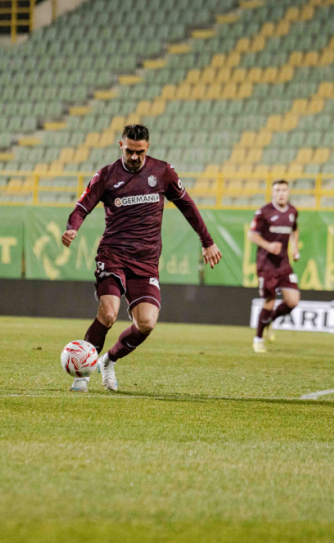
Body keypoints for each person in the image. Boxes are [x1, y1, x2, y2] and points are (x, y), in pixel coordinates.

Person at [61, 124, 222, 392]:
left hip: (146, 261)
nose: (135, 157)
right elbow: (82, 206)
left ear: (147, 148)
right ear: (121, 146)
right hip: (113, 254)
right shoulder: (106, 175)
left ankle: (108, 360)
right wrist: (72, 227)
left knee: (146, 323)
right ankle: (82, 375)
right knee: (108, 313)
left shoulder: (163, 172)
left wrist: (207, 241)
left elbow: (187, 205)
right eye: (130, 151)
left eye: (140, 152)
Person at [248, 180, 300, 353]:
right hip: (266, 265)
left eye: (284, 190)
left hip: (284, 264)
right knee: (269, 302)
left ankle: (270, 320)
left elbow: (294, 229)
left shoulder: (292, 211)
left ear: (288, 192)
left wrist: (295, 248)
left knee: (293, 301)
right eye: (277, 190)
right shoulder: (264, 212)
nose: (281, 193)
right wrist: (268, 246)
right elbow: (252, 235)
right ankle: (258, 339)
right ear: (272, 193)